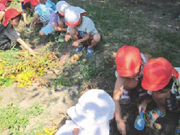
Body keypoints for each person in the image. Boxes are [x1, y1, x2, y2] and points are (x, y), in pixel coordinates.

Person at [113, 45, 152, 135]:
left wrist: (145, 101)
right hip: (134, 80)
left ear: (141, 63)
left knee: (147, 85)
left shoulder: (147, 62)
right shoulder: (123, 72)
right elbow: (116, 96)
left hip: (143, 75)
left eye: (131, 73)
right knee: (131, 83)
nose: (130, 75)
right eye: (127, 74)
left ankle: (141, 89)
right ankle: (127, 89)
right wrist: (118, 120)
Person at [141, 57, 180, 134]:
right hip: (172, 95)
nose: (156, 91)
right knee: (157, 95)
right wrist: (144, 102)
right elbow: (151, 94)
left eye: (161, 90)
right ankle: (160, 109)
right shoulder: (153, 79)